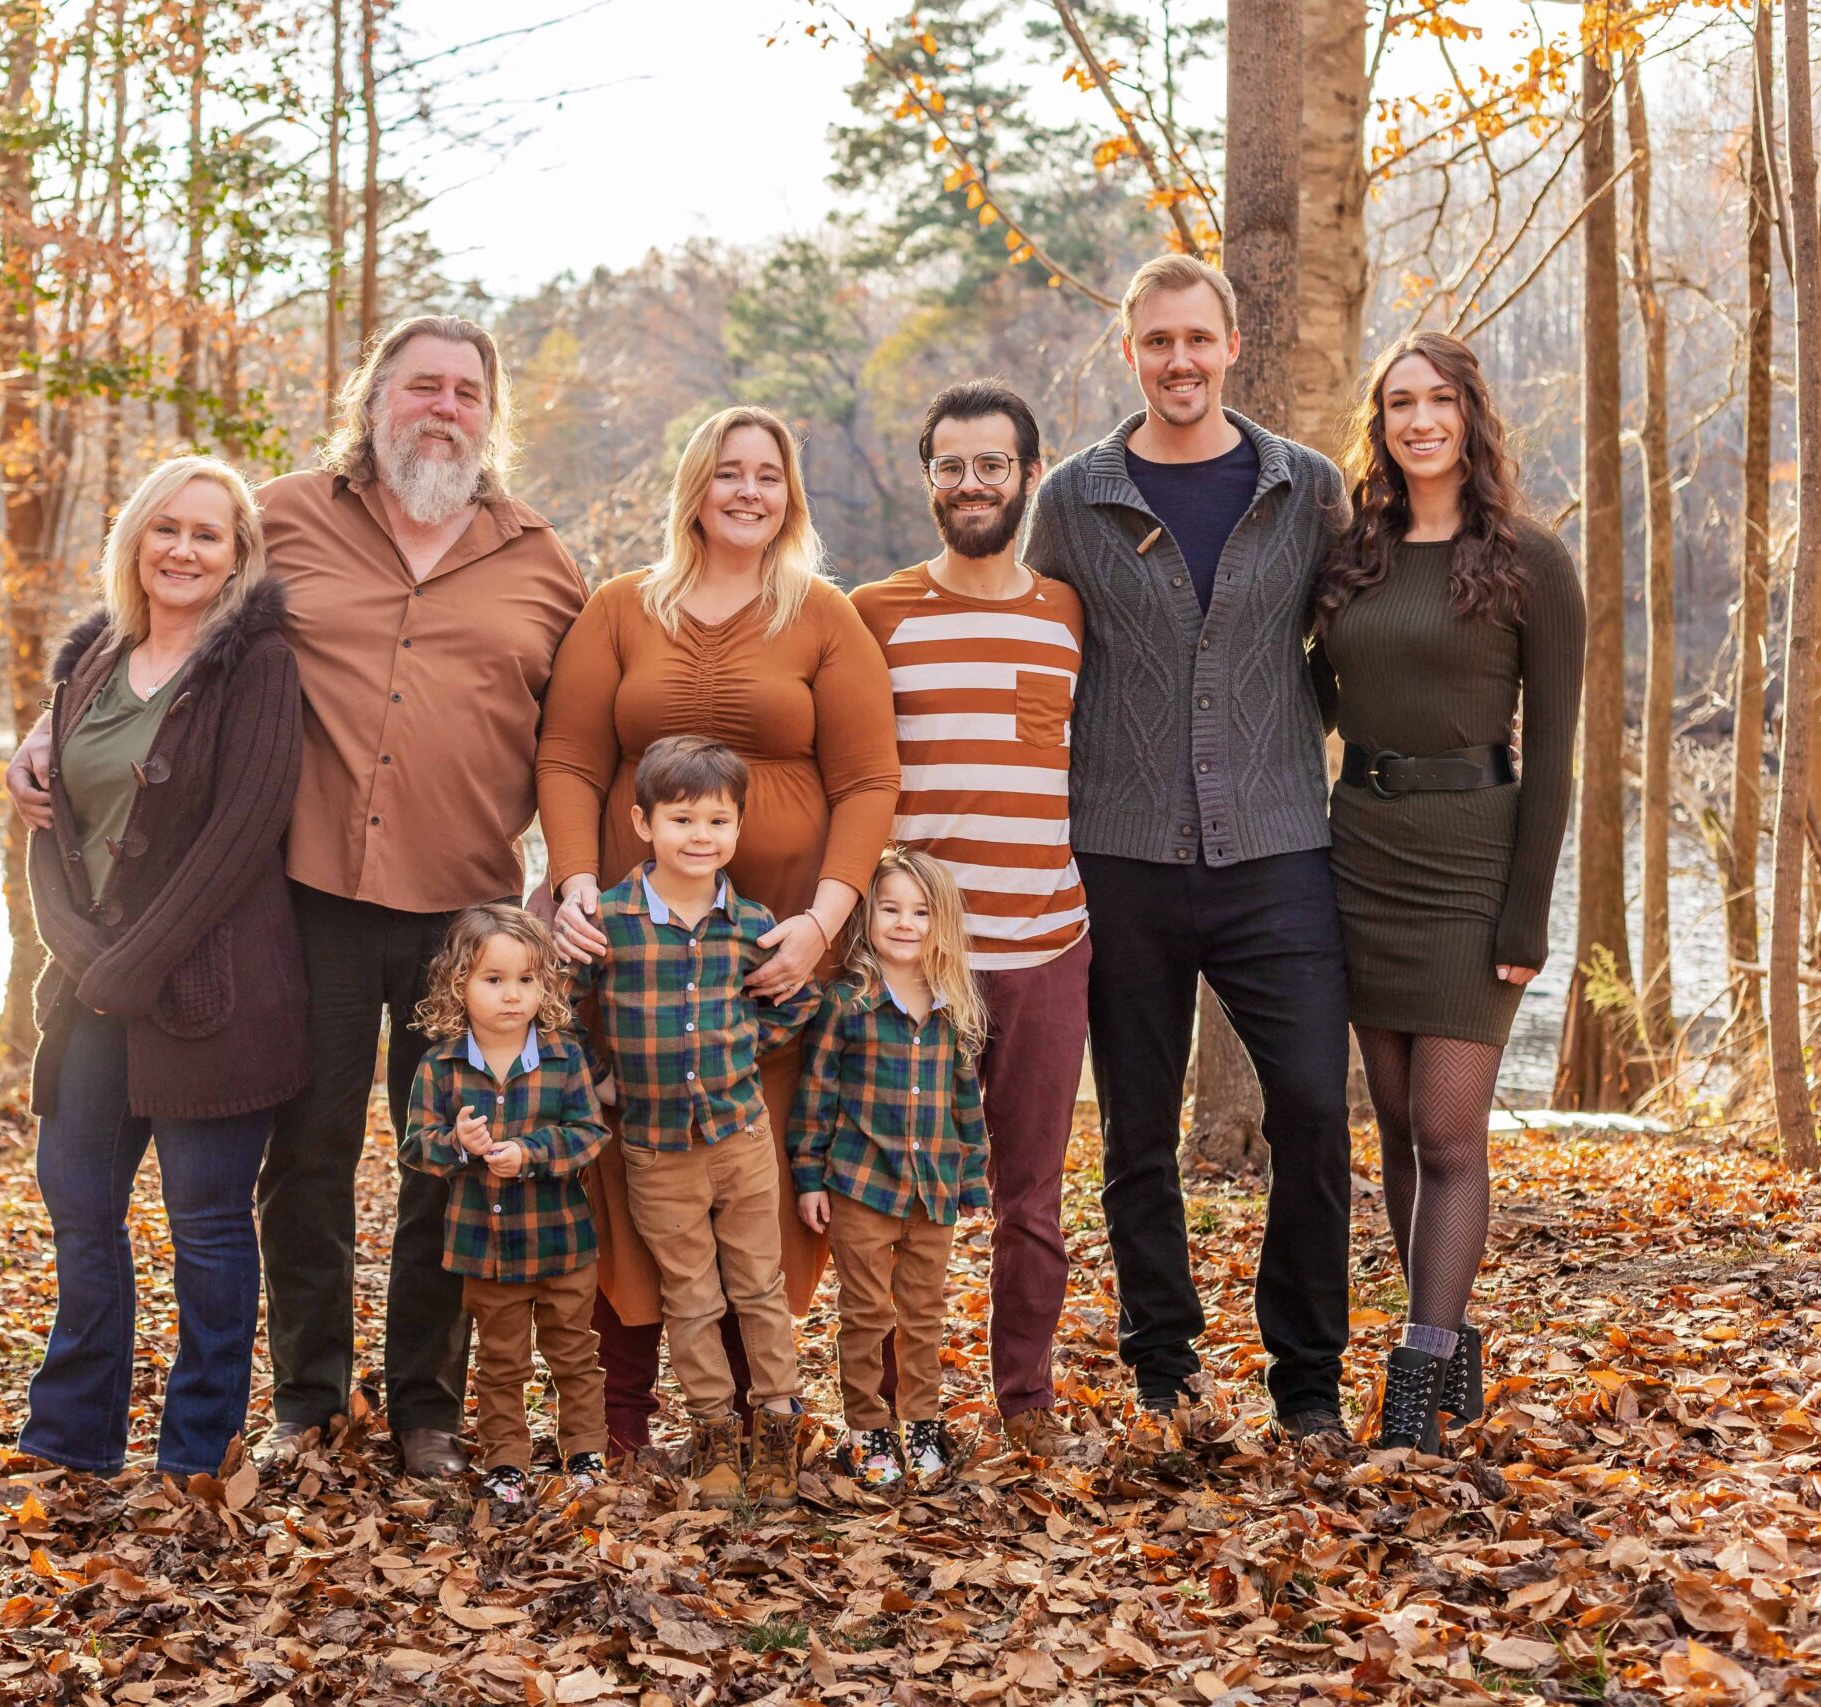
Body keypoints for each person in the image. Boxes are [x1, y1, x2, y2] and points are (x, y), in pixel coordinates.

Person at [8, 315, 587, 1482]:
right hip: (305, 903)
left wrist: (573, 879)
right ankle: (309, 1403)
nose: (442, 408)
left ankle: (426, 1407)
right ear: (373, 398)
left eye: (466, 392)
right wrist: (49, 716)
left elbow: (583, 740)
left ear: (492, 414)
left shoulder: (541, 561)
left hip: (466, 924)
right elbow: (159, 608)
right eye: (419, 385)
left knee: (450, 1164)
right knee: (306, 1164)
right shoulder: (285, 521)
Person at [1018, 253, 1355, 1444]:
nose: (1178, 361)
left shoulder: (1304, 487)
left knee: (1314, 1107)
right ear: (1130, 353)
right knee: (1136, 1129)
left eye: (1196, 340)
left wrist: (1273, 733)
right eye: (1155, 342)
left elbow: (1347, 649)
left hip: (1276, 852)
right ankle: (1163, 1366)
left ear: (1231, 346)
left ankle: (1306, 1378)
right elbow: (1041, 655)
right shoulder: (1072, 497)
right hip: (1120, 857)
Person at [536, 405, 900, 1457]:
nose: (748, 491)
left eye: (769, 476)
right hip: (636, 952)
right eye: (728, 472)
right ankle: (621, 1418)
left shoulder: (825, 617)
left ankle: (753, 1414)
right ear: (694, 486)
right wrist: (569, 888)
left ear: (790, 496)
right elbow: (566, 759)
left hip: (772, 958)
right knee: (632, 1167)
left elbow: (871, 778)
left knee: (765, 1180)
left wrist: (821, 923)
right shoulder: (618, 609)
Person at [1312, 332, 1584, 1452]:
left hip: (1475, 861)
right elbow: (1312, 702)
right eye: (1396, 404)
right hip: (1362, 847)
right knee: (1389, 1124)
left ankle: (1416, 1389)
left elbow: (1556, 753)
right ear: (1378, 425)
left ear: (1471, 414)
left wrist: (1527, 915)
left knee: (1445, 1128)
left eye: (1437, 401)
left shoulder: (1530, 559)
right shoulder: (1352, 560)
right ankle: (1450, 1338)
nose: (1417, 420)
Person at [18, 454, 306, 1480]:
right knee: (81, 1206)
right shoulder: (94, 654)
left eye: (208, 535)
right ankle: (68, 1441)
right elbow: (51, 826)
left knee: (208, 1231)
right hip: (94, 992)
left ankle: (197, 1454)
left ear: (236, 558)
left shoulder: (257, 666)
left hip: (215, 996)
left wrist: (131, 965)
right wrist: (83, 953)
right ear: (136, 540)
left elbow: (244, 834)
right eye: (166, 529)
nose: (184, 550)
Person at [848, 381, 1089, 1459]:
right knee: (901, 1200)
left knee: (1028, 1199)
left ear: (1029, 475)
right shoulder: (875, 614)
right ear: (928, 479)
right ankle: (900, 1409)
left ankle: (1024, 1404)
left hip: (1044, 944)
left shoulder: (1068, 613)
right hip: (915, 969)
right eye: (951, 465)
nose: (972, 483)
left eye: (993, 464)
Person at [569, 737, 819, 1507]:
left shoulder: (751, 923)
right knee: (691, 1296)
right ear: (643, 823)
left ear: (738, 829)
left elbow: (798, 1002)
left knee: (759, 1286)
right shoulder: (607, 920)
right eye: (682, 819)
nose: (701, 835)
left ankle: (775, 1427)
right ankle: (712, 1432)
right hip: (652, 1148)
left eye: (718, 819)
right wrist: (600, 1080)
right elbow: (566, 1012)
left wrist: (744, 1047)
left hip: (739, 1137)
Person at [398, 905, 610, 1513]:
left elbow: (589, 1135)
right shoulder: (440, 1064)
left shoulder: (563, 1057)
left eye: (526, 979)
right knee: (501, 1362)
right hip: (483, 1250)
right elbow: (415, 1146)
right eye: (494, 979)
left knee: (574, 1352)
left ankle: (585, 1452)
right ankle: (506, 1461)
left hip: (562, 1243)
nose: (512, 995)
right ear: (457, 982)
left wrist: (532, 1152)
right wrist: (458, 1146)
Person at [791, 847, 990, 1489]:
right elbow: (816, 1094)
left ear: (942, 923)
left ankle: (922, 1426)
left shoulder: (951, 1007)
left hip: (932, 1192)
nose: (905, 923)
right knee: (866, 1312)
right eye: (891, 909)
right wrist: (810, 1177)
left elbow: (966, 1104)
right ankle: (867, 1431)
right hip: (859, 1187)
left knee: (925, 1313)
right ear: (867, 917)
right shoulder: (846, 1003)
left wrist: (974, 1180)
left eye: (921, 912)